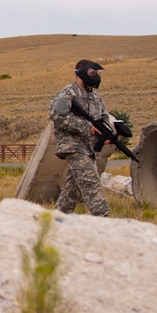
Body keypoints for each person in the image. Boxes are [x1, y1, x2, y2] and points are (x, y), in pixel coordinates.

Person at [49, 59, 111, 217]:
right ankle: (103, 220)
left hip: (89, 148)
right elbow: (57, 115)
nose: (95, 76)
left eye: (96, 73)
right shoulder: (68, 93)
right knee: (91, 182)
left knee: (73, 189)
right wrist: (86, 127)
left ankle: (55, 222)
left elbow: (103, 118)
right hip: (73, 146)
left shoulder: (95, 97)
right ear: (81, 72)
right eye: (92, 72)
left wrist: (107, 134)